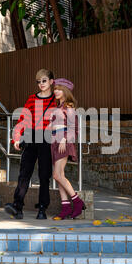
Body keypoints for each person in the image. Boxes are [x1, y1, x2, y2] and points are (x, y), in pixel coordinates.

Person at [4, 69, 57, 220]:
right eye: (38, 81)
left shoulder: (56, 100)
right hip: (30, 135)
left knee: (44, 175)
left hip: (46, 138)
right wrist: (16, 138)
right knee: (24, 174)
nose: (41, 84)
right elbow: (23, 119)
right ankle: (17, 206)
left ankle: (42, 208)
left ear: (52, 82)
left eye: (44, 80)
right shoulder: (32, 99)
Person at [49, 78, 86, 220]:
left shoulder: (69, 107)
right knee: (59, 176)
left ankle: (77, 201)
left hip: (63, 142)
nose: (56, 91)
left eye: (59, 89)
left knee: (57, 175)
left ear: (65, 91)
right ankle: (65, 208)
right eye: (55, 89)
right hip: (54, 142)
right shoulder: (57, 107)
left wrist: (64, 139)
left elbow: (74, 128)